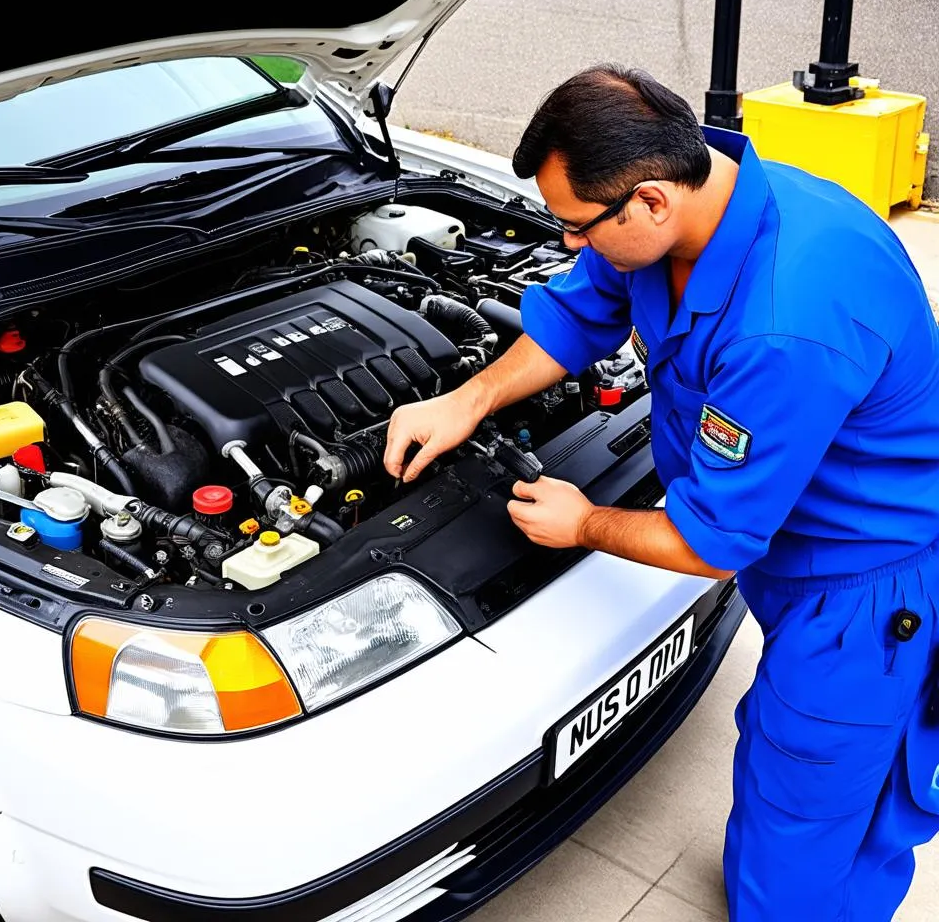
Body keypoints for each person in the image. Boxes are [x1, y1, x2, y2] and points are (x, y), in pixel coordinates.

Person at [383, 64, 939, 921]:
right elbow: (576, 316)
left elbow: (711, 545)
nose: (570, 245)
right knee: (788, 766)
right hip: (789, 542)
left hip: (863, 590)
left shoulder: (784, 319)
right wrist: (466, 400)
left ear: (646, 200)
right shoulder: (686, 212)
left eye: (577, 226)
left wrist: (586, 522)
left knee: (813, 799)